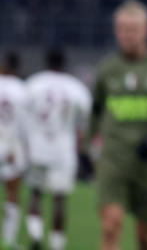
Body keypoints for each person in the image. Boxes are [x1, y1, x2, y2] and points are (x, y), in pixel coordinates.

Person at [89, 0, 147, 250]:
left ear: (146, 31)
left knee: (145, 238)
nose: (127, 35)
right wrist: (89, 145)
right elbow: (95, 110)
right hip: (113, 158)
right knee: (110, 226)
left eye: (133, 29)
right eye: (122, 29)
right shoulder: (107, 69)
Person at [23, 48, 92, 250]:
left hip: (38, 145)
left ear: (46, 62)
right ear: (64, 64)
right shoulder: (75, 87)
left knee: (36, 192)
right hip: (63, 147)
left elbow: (24, 111)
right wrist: (82, 145)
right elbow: (85, 118)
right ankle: (56, 245)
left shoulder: (34, 83)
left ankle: (35, 235)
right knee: (59, 198)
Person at [0, 52, 28, 250]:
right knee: (12, 192)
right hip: (11, 146)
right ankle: (8, 240)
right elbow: (26, 124)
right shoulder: (23, 90)